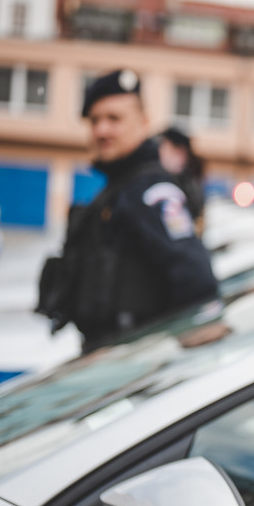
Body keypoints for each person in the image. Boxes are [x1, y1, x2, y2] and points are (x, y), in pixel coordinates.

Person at [37, 69, 218, 352]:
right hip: (113, 354)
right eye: (94, 120)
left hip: (136, 358)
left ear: (144, 122)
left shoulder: (149, 188)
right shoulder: (120, 187)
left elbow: (196, 278)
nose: (101, 130)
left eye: (114, 119)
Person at [157, 125, 207, 236]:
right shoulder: (188, 181)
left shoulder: (184, 184)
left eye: (164, 147)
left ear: (179, 151)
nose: (159, 153)